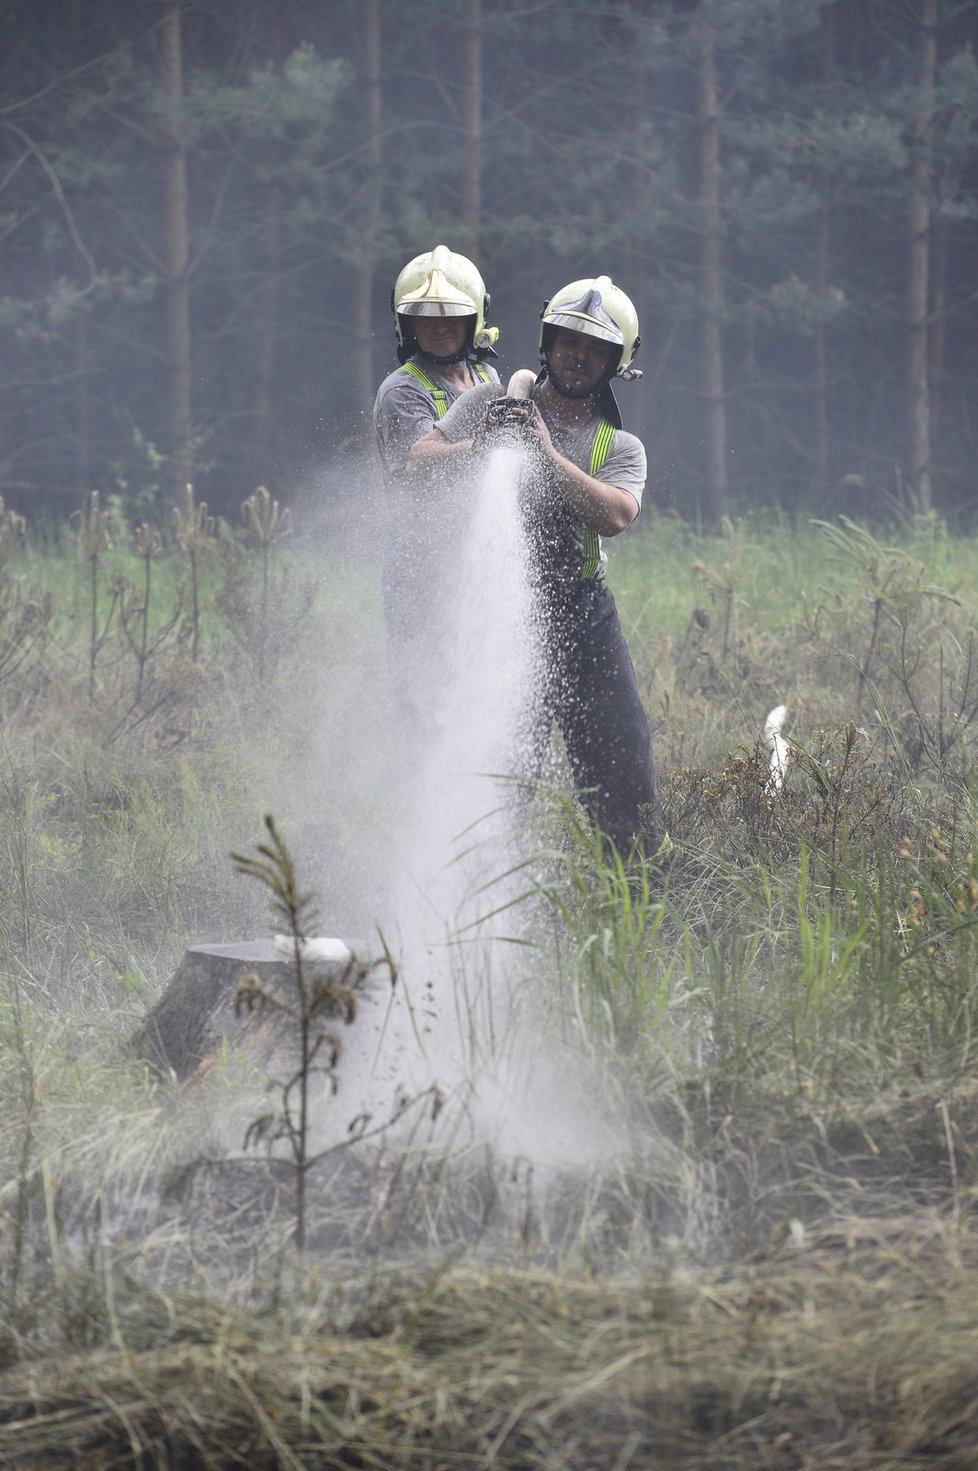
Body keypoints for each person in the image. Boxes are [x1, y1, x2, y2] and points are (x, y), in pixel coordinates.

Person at [408, 274, 669, 863]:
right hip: (496, 613)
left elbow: (617, 516)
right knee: (500, 773)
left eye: (595, 348)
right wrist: (482, 448)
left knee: (623, 771)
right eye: (568, 341)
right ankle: (485, 895)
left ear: (615, 362)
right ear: (546, 344)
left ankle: (636, 906)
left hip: (582, 618)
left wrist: (544, 455)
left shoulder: (621, 448)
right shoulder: (489, 402)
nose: (578, 356)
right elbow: (418, 468)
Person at [373, 245, 500, 747]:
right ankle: (424, 810)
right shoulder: (403, 389)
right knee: (429, 708)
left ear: (475, 319)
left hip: (479, 564)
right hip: (421, 573)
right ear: (408, 325)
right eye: (426, 317)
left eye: (452, 316)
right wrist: (491, 444)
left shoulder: (488, 379)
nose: (440, 326)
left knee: (484, 697)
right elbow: (417, 464)